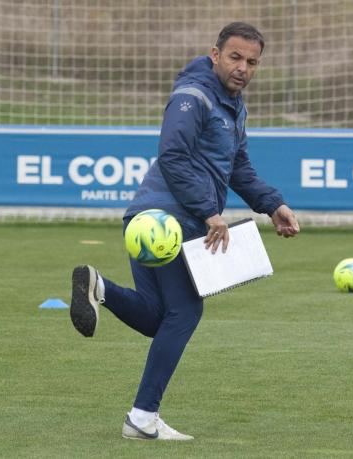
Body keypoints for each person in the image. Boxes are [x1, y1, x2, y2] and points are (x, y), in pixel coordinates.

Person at [69, 21, 300, 441]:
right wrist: (210, 213)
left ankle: (100, 288)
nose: (243, 68)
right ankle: (142, 417)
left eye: (252, 62)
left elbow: (239, 170)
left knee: (159, 318)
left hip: (149, 220)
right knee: (186, 313)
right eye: (235, 57)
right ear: (215, 54)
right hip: (168, 220)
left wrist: (273, 204)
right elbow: (172, 155)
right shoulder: (193, 96)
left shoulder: (234, 106)